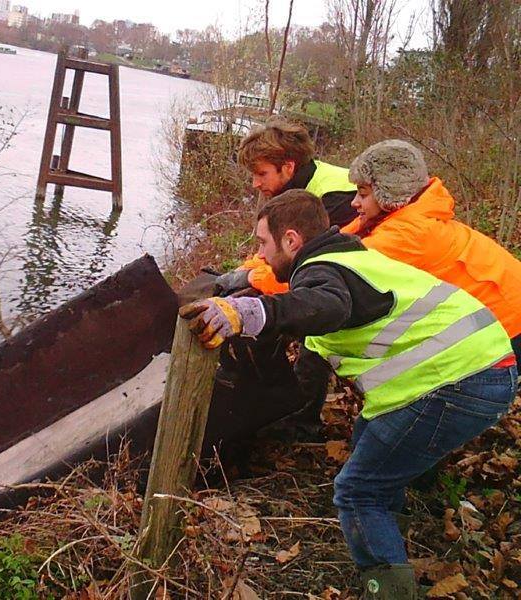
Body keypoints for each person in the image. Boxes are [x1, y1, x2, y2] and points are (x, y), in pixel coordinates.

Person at [180, 190, 517, 598]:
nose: (259, 255)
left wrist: (256, 314)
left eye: (262, 243)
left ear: (291, 240)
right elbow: (314, 348)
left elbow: (325, 305)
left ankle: (388, 591)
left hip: (460, 380)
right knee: (367, 443)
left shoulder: (325, 271)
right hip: (477, 370)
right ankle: (391, 538)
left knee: (358, 491)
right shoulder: (352, 259)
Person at [343, 139, 521, 365]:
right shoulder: (414, 213)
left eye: (363, 194)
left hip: (509, 323)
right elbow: (341, 240)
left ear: (388, 194)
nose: (354, 202)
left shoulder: (407, 235)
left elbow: (335, 267)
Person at [214, 117, 357, 297]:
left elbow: (308, 271)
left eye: (261, 174)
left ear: (288, 167)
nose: (255, 184)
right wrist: (242, 271)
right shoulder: (301, 184)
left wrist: (250, 277)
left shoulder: (335, 200)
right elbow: (270, 254)